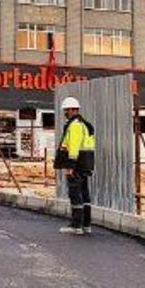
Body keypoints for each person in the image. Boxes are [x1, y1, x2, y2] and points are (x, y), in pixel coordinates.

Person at [55, 96, 96, 235]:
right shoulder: (84, 124)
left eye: (66, 110)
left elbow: (74, 147)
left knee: (75, 194)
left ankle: (76, 226)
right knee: (84, 194)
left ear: (73, 110)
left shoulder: (75, 125)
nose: (65, 113)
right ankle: (86, 225)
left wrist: (70, 166)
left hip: (77, 164)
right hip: (86, 163)